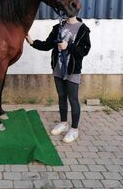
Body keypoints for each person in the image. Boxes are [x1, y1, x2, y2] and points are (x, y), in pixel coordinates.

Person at [25, 13, 91, 143]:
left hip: (72, 70)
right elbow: (47, 45)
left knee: (73, 99)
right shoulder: (58, 28)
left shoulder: (83, 29)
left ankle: (74, 129)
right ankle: (63, 123)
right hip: (58, 69)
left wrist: (69, 46)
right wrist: (32, 42)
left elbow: (84, 51)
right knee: (61, 96)